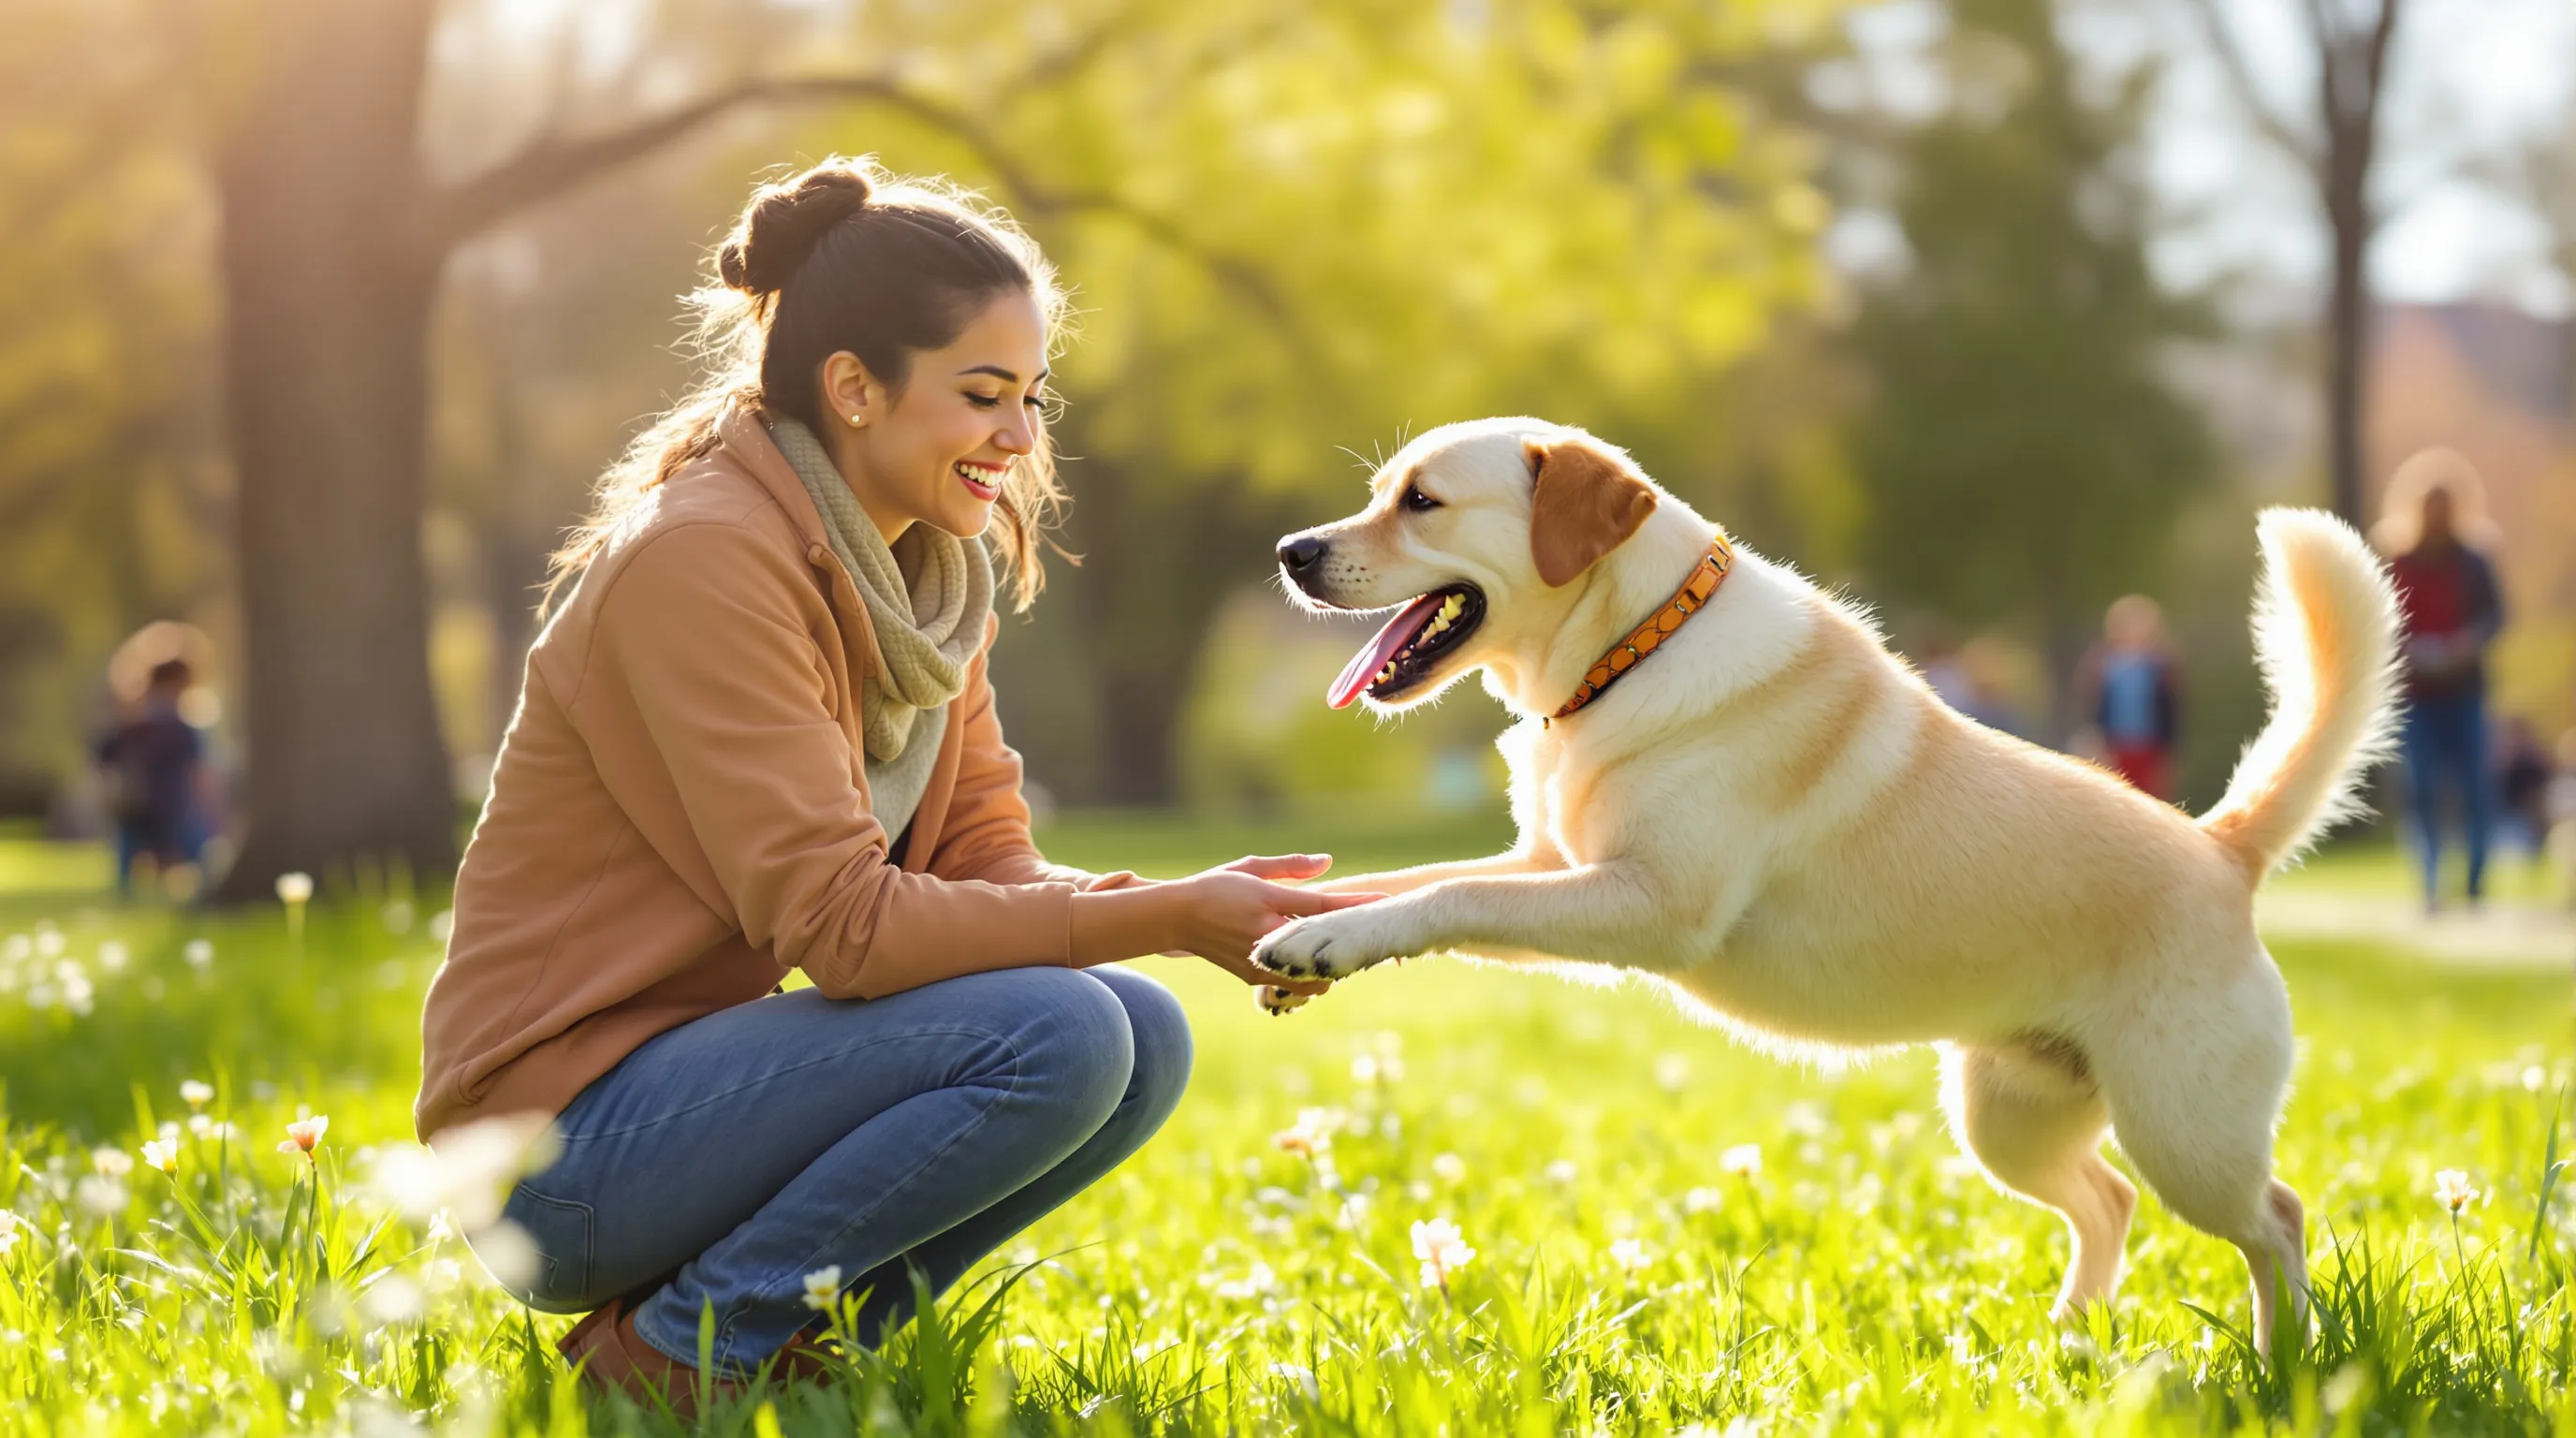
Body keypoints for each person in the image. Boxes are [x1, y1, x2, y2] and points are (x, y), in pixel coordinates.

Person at [413, 158, 1368, 1411]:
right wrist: (1165, 916)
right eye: (984, 396)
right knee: (1070, 1034)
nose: (1020, 439)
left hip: (691, 1093)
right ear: (854, 388)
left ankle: (805, 1344)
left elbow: (986, 861)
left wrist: (1188, 907)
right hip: (550, 1155)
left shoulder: (918, 579)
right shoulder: (706, 562)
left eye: (1032, 398)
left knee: (1138, 1037)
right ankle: (674, 1355)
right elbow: (847, 931)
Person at [2374, 453, 2506, 909]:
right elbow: (2382, 622)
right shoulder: (2398, 559)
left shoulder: (2474, 561)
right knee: (2422, 787)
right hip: (2416, 694)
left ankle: (2474, 883)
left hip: (2465, 690)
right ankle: (2430, 881)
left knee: (2474, 786)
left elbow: (2495, 617)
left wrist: (2465, 644)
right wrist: (2409, 650)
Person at [95, 657, 208, 896]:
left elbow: (102, 758)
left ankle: (127, 893)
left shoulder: (131, 720)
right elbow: (196, 771)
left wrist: (111, 791)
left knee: (132, 853)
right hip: (169, 802)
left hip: (134, 802)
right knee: (190, 849)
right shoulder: (176, 726)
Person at [2078, 595, 2181, 800]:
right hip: (2114, 744)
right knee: (2116, 798)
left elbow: (2172, 711)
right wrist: (2095, 738)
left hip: (2149, 745)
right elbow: (2092, 706)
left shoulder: (2161, 664)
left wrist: (2170, 752)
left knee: (2150, 799)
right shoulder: (2103, 664)